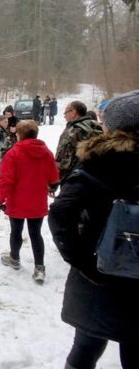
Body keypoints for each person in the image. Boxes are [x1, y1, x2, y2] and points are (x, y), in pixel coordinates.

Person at [48, 90, 139, 369]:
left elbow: (62, 213)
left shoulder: (101, 161)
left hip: (100, 275)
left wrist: (84, 263)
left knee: (85, 348)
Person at [0, 120, 59, 283]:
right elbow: (54, 177)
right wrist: (51, 188)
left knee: (16, 231)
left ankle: (14, 259)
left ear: (19, 134)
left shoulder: (13, 153)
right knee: (36, 234)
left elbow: (6, 180)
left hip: (17, 201)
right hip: (37, 201)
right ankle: (39, 268)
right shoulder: (47, 153)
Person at [55, 100, 103, 183]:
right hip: (97, 177)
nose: (64, 116)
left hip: (75, 179)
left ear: (73, 113)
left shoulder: (73, 131)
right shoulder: (97, 125)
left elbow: (64, 160)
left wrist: (55, 182)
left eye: (66, 112)